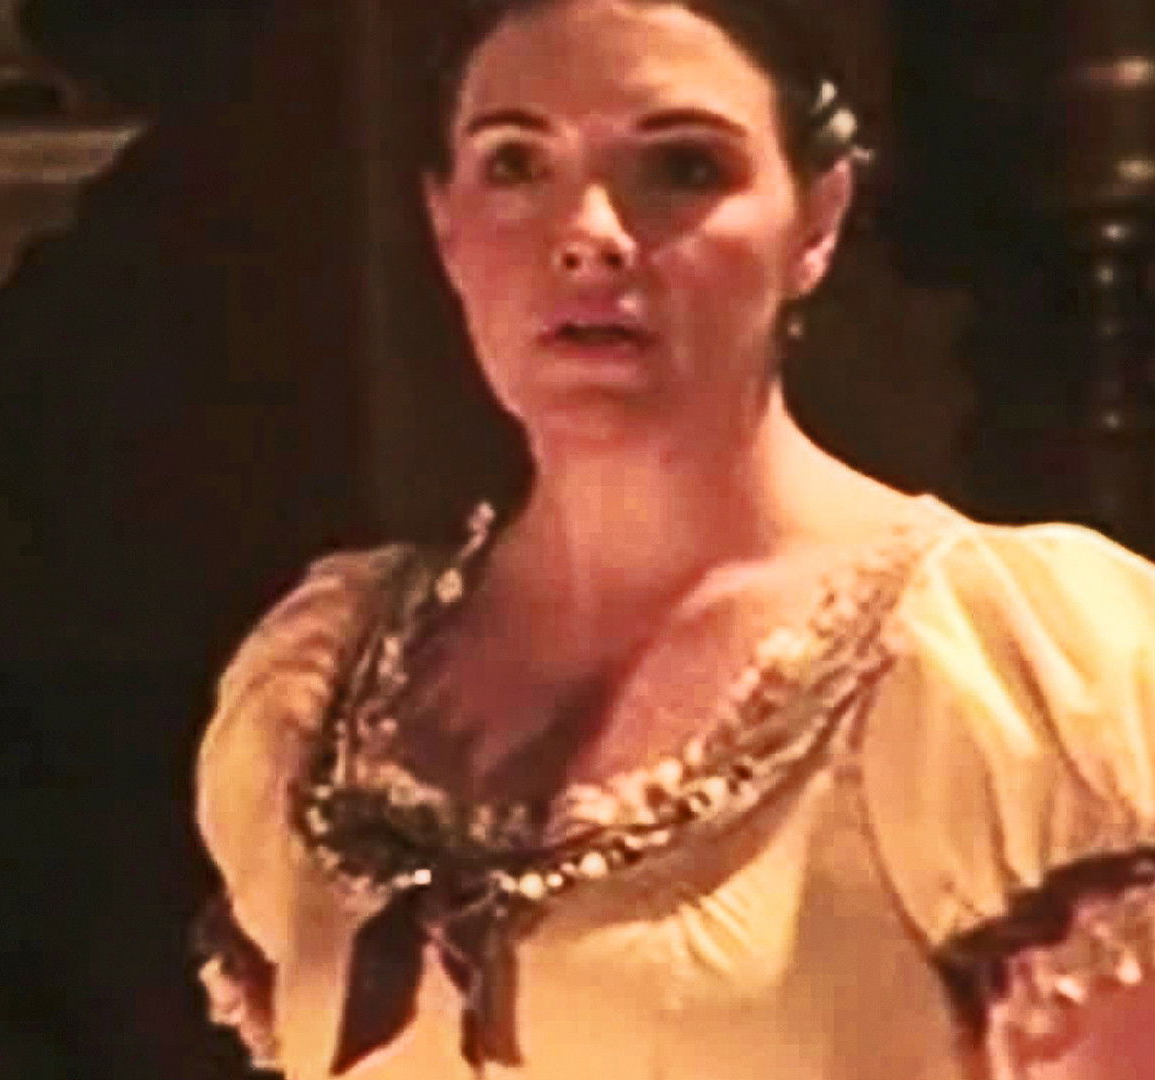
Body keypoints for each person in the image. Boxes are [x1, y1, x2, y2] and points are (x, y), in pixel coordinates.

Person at [190, 1, 1155, 1077]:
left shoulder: (996, 672)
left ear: (816, 219)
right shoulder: (322, 681)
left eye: (684, 167)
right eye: (515, 164)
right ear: (446, 225)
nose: (588, 233)